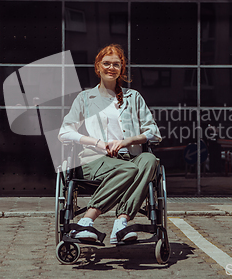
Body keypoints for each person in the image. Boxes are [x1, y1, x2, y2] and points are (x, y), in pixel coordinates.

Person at [58, 44, 161, 244]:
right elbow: (65, 132)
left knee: (149, 159)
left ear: (122, 68)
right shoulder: (85, 98)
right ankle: (86, 222)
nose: (111, 68)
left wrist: (128, 140)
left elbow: (153, 133)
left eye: (116, 64)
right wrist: (95, 142)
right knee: (128, 170)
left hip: (130, 156)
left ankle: (121, 223)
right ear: (98, 67)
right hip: (95, 159)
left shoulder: (134, 97)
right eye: (106, 63)